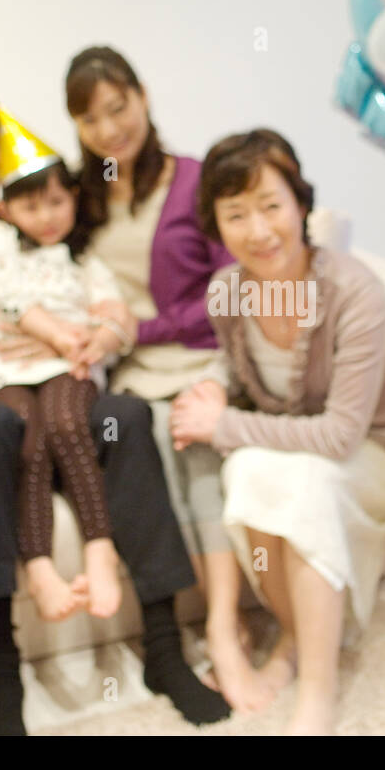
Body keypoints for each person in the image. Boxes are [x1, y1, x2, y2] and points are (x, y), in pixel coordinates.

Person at [0, 82, 229, 733]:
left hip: (67, 386)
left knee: (128, 417)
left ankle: (164, 648)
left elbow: (109, 310)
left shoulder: (58, 232)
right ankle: (1, 670)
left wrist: (101, 335)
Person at [171, 129, 385, 734]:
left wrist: (223, 424)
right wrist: (211, 389)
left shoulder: (353, 291)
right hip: (296, 443)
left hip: (380, 448)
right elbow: (238, 368)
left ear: (300, 204)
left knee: (304, 483)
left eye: (271, 205)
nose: (259, 230)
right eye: (236, 214)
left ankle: (317, 691)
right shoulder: (228, 291)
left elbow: (341, 435)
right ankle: (297, 637)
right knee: (247, 469)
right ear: (216, 224)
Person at [63, 48, 258, 710]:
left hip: (197, 359)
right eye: (90, 119)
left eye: (118, 108)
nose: (109, 129)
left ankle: (223, 628)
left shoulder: (195, 181)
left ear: (143, 96)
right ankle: (184, 632)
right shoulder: (80, 198)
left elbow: (229, 288)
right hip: (124, 377)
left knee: (198, 462)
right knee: (148, 465)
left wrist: (139, 329)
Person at [0, 109, 124, 623]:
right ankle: (38, 566)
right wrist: (56, 333)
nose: (47, 216)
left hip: (70, 366)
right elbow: (4, 295)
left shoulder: (83, 260)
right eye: (31, 206)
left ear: (73, 196)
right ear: (6, 209)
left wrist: (99, 339)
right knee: (25, 438)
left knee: (69, 423)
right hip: (6, 369)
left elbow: (114, 315)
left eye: (56, 201)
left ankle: (101, 550)